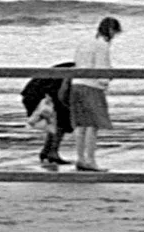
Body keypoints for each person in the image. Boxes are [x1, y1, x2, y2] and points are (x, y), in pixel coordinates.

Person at [69, 16, 122, 172]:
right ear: (111, 30)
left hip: (76, 84)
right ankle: (90, 160)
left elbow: (77, 62)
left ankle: (80, 158)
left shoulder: (84, 42)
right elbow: (101, 70)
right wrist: (106, 81)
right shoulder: (102, 45)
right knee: (93, 125)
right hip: (91, 87)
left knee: (80, 125)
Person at [20, 61, 75, 166]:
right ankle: (52, 153)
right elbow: (64, 90)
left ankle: (47, 151)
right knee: (62, 121)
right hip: (42, 94)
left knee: (58, 120)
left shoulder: (73, 66)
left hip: (35, 92)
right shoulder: (77, 71)